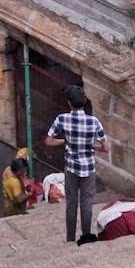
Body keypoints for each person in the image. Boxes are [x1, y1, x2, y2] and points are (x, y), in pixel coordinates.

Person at [46, 86, 108, 246]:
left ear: (69, 103)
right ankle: (86, 236)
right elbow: (106, 147)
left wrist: (66, 140)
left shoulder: (62, 119)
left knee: (71, 203)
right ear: (84, 101)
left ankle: (70, 238)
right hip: (88, 168)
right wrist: (90, 145)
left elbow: (49, 141)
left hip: (71, 167)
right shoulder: (93, 121)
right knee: (87, 203)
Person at [1, 152, 41, 216]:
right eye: (24, 171)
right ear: (18, 171)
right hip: (13, 208)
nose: (25, 173)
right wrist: (29, 194)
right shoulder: (14, 182)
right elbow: (19, 199)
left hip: (6, 202)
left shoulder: (8, 169)